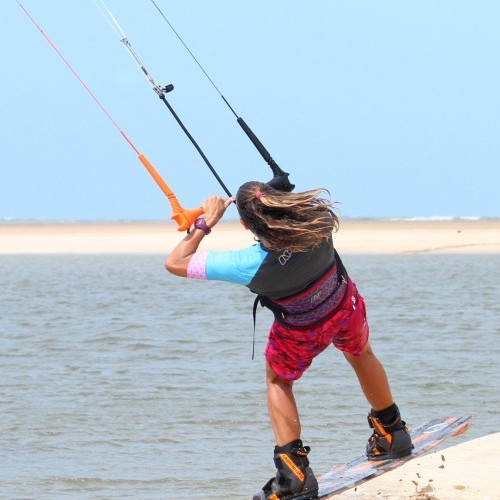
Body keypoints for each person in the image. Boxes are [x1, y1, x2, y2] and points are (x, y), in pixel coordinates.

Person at [165, 181, 413, 500]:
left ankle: (294, 474)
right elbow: (293, 209)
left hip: (302, 330)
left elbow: (175, 263)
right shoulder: (318, 221)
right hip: (343, 305)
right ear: (277, 200)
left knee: (279, 381)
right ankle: (393, 434)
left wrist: (205, 222)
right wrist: (281, 191)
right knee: (360, 352)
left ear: (244, 224)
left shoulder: (248, 264)